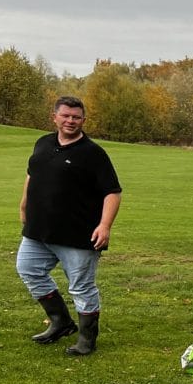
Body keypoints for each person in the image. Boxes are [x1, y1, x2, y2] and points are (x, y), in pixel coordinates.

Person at [17, 96, 122, 356]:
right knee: (28, 270)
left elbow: (113, 192)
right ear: (55, 117)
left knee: (81, 286)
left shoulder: (93, 153)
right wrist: (23, 205)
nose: (70, 121)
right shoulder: (43, 143)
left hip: (77, 234)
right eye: (65, 116)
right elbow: (32, 175)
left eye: (76, 117)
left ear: (83, 120)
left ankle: (87, 339)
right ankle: (61, 322)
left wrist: (105, 225)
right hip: (39, 230)